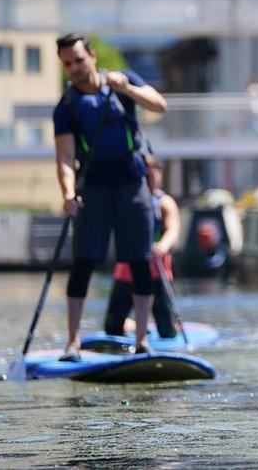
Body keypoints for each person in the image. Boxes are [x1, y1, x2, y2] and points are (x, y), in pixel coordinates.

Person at [52, 32, 168, 361]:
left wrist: (125, 88)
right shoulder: (67, 107)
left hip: (132, 182)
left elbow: (159, 105)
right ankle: (73, 342)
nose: (74, 67)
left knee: (139, 260)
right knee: (84, 262)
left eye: (78, 59)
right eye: (67, 63)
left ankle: (143, 340)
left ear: (92, 56)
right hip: (94, 186)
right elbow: (64, 156)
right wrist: (68, 192)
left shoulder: (123, 82)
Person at [104, 155, 180, 340]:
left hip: (157, 271)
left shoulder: (164, 202)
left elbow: (173, 229)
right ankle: (137, 323)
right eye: (146, 174)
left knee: (167, 331)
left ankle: (159, 322)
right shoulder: (128, 200)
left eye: (154, 173)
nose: (150, 178)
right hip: (127, 272)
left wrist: (162, 246)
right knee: (112, 328)